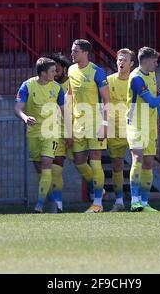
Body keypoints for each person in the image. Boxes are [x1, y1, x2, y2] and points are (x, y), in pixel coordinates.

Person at [126, 47, 160, 212]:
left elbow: (155, 101)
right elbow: (152, 102)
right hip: (136, 124)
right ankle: (134, 202)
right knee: (138, 159)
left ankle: (145, 202)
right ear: (146, 61)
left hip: (150, 125)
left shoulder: (151, 75)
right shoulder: (136, 79)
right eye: (155, 61)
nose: (157, 64)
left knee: (148, 163)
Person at [15, 57, 65, 213]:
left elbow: (64, 112)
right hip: (34, 132)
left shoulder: (57, 88)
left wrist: (69, 132)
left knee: (46, 164)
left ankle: (39, 205)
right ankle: (51, 200)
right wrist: (25, 117)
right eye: (52, 70)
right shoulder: (27, 86)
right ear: (43, 73)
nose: (55, 72)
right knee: (40, 169)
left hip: (52, 132)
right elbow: (18, 108)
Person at [66, 39, 110, 213]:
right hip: (78, 123)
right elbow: (69, 96)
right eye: (72, 50)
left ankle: (97, 203)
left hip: (95, 122)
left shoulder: (97, 72)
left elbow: (107, 100)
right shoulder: (71, 70)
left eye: (75, 51)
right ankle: (100, 189)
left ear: (85, 53)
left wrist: (105, 125)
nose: (72, 54)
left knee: (96, 160)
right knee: (78, 161)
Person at [106, 48, 135, 212]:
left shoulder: (136, 80)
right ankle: (119, 202)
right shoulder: (109, 81)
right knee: (117, 166)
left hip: (134, 128)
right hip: (115, 129)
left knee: (138, 163)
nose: (121, 62)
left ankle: (138, 200)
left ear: (131, 64)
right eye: (119, 60)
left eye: (125, 60)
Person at [47, 53, 72, 213]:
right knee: (56, 169)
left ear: (64, 68)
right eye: (52, 69)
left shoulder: (72, 84)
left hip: (76, 130)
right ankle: (58, 206)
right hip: (57, 132)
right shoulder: (48, 86)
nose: (55, 72)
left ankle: (97, 195)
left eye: (57, 68)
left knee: (84, 165)